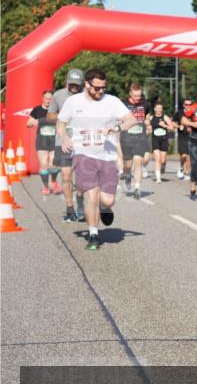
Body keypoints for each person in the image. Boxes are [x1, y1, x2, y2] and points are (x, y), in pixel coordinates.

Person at [56, 68, 138, 250]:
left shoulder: (112, 101)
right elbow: (61, 123)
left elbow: (132, 120)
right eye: (97, 88)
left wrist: (116, 128)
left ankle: (104, 208)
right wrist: (64, 137)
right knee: (91, 196)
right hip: (83, 155)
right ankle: (93, 234)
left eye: (103, 87)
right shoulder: (73, 102)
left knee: (107, 200)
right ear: (87, 84)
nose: (100, 91)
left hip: (107, 156)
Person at [47, 68, 86, 222]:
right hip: (63, 141)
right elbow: (50, 116)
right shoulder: (58, 95)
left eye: (77, 84)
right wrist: (64, 115)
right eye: (72, 84)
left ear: (82, 84)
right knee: (66, 175)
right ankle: (70, 208)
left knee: (82, 177)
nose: (74, 87)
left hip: (83, 141)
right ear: (66, 82)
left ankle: (81, 204)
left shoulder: (87, 96)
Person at [120, 83, 152, 199]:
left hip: (140, 137)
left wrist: (148, 124)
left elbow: (147, 117)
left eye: (139, 95)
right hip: (126, 138)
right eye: (135, 96)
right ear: (130, 93)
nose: (138, 98)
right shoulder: (123, 104)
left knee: (138, 161)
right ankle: (127, 174)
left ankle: (137, 188)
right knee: (128, 164)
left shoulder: (145, 104)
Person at [26, 90, 57, 195]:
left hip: (54, 140)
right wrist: (31, 123)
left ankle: (54, 181)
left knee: (53, 165)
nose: (48, 101)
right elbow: (28, 123)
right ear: (42, 98)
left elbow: (61, 121)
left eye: (50, 99)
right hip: (42, 140)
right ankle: (46, 186)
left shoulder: (56, 110)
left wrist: (41, 121)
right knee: (44, 164)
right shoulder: (37, 110)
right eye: (46, 98)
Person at [148, 102, 176, 183]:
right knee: (157, 158)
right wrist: (149, 129)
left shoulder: (165, 117)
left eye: (160, 108)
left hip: (164, 139)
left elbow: (172, 128)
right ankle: (158, 178)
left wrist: (165, 126)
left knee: (163, 160)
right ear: (155, 109)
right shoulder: (151, 118)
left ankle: (163, 167)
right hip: (155, 140)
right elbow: (147, 127)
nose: (159, 110)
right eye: (158, 108)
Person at [175, 99, 192, 180]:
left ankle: (187, 173)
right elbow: (173, 122)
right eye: (186, 104)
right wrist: (179, 126)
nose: (188, 106)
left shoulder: (194, 113)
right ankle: (181, 167)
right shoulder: (179, 113)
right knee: (184, 155)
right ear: (183, 105)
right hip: (182, 137)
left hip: (192, 137)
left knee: (189, 156)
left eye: (190, 104)